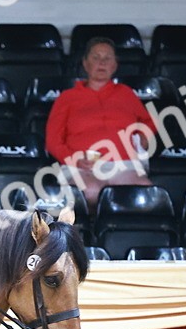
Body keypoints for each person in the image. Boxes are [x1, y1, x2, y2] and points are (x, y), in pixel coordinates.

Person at [45, 36, 157, 210]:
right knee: (91, 191)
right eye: (96, 57)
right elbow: (53, 141)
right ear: (85, 63)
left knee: (145, 192)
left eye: (107, 58)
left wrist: (144, 135)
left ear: (115, 65)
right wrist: (75, 160)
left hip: (123, 164)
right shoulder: (67, 98)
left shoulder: (125, 93)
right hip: (81, 167)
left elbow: (149, 121)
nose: (102, 63)